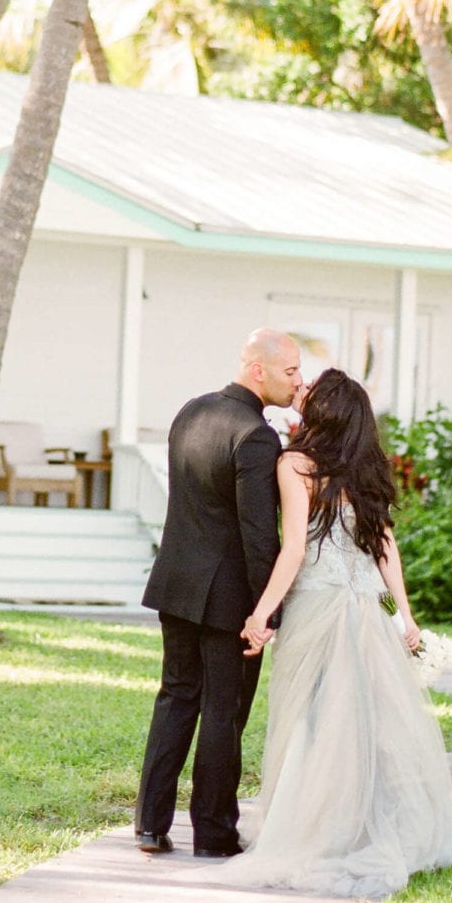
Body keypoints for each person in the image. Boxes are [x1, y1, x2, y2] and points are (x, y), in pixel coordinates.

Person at [231, 367, 452, 898]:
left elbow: (293, 550)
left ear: (325, 409)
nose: (301, 391)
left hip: (318, 607)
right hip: (365, 613)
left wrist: (261, 614)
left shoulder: (296, 464)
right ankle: (358, 824)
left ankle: (311, 828)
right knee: (360, 720)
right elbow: (384, 546)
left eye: (310, 390)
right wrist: (404, 615)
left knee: (311, 720)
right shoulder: (364, 467)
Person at [134, 328, 304, 858]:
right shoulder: (256, 436)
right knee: (223, 711)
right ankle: (212, 833)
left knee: (176, 698)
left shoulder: (191, 411)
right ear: (258, 369)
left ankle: (149, 824)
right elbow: (259, 536)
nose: (298, 382)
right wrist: (267, 610)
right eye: (290, 371)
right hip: (227, 599)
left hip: (175, 582)